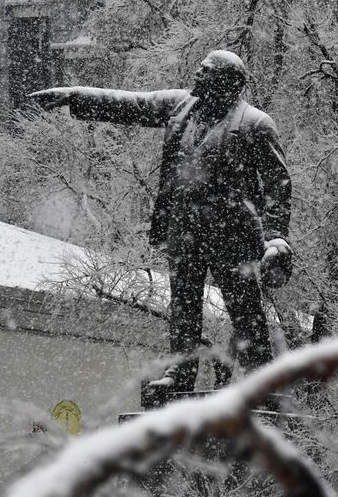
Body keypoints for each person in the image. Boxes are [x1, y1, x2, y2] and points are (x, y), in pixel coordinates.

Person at [29, 50, 292, 392]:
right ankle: (179, 376)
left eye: (206, 71)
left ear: (227, 82)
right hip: (184, 232)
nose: (197, 74)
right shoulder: (180, 106)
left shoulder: (255, 123)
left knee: (246, 313)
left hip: (233, 236)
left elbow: (279, 184)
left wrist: (276, 238)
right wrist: (74, 96)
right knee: (183, 310)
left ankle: (262, 381)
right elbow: (130, 105)